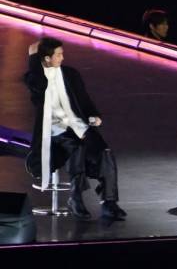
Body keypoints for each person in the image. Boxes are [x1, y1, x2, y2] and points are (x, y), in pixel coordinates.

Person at [24, 37, 126, 220]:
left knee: (105, 152)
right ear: (47, 58)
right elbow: (37, 80)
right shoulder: (36, 79)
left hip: (78, 126)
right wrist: (33, 57)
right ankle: (75, 198)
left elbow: (84, 100)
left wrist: (94, 116)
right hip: (55, 131)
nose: (62, 58)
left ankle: (109, 202)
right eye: (58, 55)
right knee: (76, 148)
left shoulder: (71, 74)